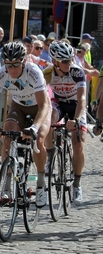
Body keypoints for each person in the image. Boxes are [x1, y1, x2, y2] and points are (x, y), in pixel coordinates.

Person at [0, 41, 52, 208]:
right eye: (8, 65)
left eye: (16, 64)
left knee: (38, 140)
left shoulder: (34, 71)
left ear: (23, 62)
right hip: (18, 107)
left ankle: (41, 183)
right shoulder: (2, 74)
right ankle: (6, 186)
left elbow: (44, 105)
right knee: (7, 135)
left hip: (39, 107)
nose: (12, 69)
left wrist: (35, 127)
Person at [44, 41, 87, 204]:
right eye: (65, 61)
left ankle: (77, 184)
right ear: (55, 61)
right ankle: (49, 156)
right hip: (59, 103)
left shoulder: (77, 72)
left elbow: (82, 99)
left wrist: (75, 120)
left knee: (78, 143)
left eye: (70, 60)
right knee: (49, 118)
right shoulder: (47, 73)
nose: (69, 63)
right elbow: (41, 96)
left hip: (76, 104)